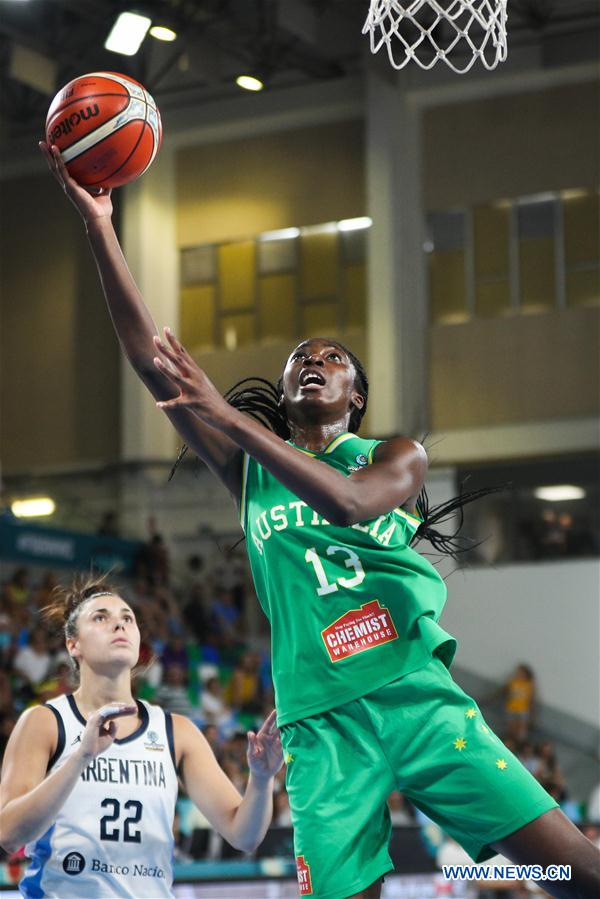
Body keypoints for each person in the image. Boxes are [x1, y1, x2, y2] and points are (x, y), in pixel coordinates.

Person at [38, 142, 600, 899]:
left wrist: (233, 423)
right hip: (320, 729)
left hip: (415, 701)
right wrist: (100, 224)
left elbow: (348, 502)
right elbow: (150, 362)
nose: (314, 361)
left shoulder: (394, 456)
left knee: (570, 871)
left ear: (355, 395)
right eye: (301, 357)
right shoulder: (253, 472)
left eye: (332, 358)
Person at [0, 574, 283, 898]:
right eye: (101, 618)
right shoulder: (45, 722)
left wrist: (261, 781)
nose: (119, 625)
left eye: (127, 618)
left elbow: (243, 835)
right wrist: (80, 759)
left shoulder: (177, 731)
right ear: (73, 644)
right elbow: (8, 834)